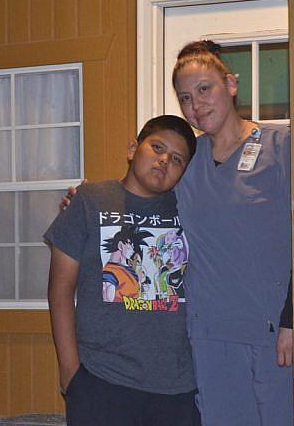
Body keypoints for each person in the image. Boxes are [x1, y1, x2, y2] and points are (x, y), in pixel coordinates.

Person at [45, 115, 201, 426]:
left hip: (178, 386)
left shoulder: (193, 209)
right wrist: (70, 371)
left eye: (177, 159)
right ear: (133, 149)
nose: (164, 160)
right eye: (157, 147)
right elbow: (60, 291)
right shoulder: (90, 201)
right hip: (101, 380)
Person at [172, 40, 293, 426]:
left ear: (231, 84)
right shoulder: (186, 161)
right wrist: (87, 197)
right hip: (208, 335)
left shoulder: (282, 147)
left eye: (204, 89)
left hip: (273, 334)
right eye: (185, 97)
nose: (196, 105)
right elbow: (141, 200)